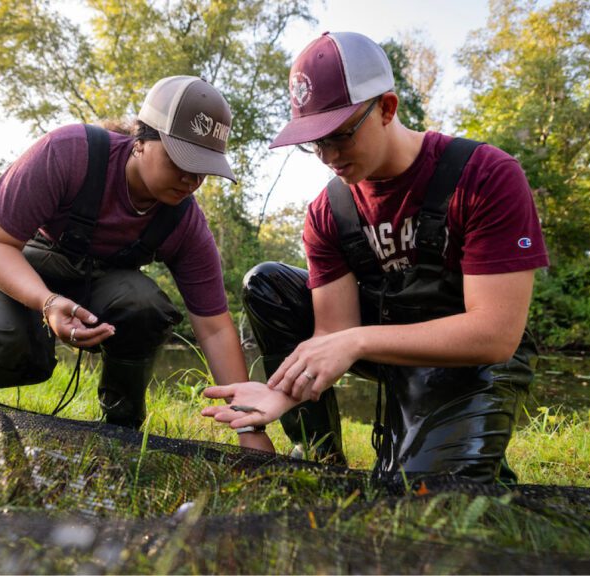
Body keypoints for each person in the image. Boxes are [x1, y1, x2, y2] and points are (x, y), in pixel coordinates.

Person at [201, 32, 548, 483]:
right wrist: (281, 394)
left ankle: (463, 430)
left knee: (419, 494)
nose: (328, 156)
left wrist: (358, 341)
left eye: (339, 136)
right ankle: (320, 451)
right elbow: (332, 333)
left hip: (473, 357)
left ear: (386, 108)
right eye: (314, 142)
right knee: (267, 282)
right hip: (386, 341)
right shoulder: (327, 211)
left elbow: (496, 334)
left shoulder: (485, 176)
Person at [0, 75, 272, 451]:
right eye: (181, 159)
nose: (191, 179)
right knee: (19, 351)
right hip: (8, 258)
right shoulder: (70, 151)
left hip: (87, 282)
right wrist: (47, 302)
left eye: (203, 167)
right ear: (140, 140)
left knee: (144, 304)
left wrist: (250, 428)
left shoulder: (185, 223)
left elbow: (214, 329)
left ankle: (122, 425)